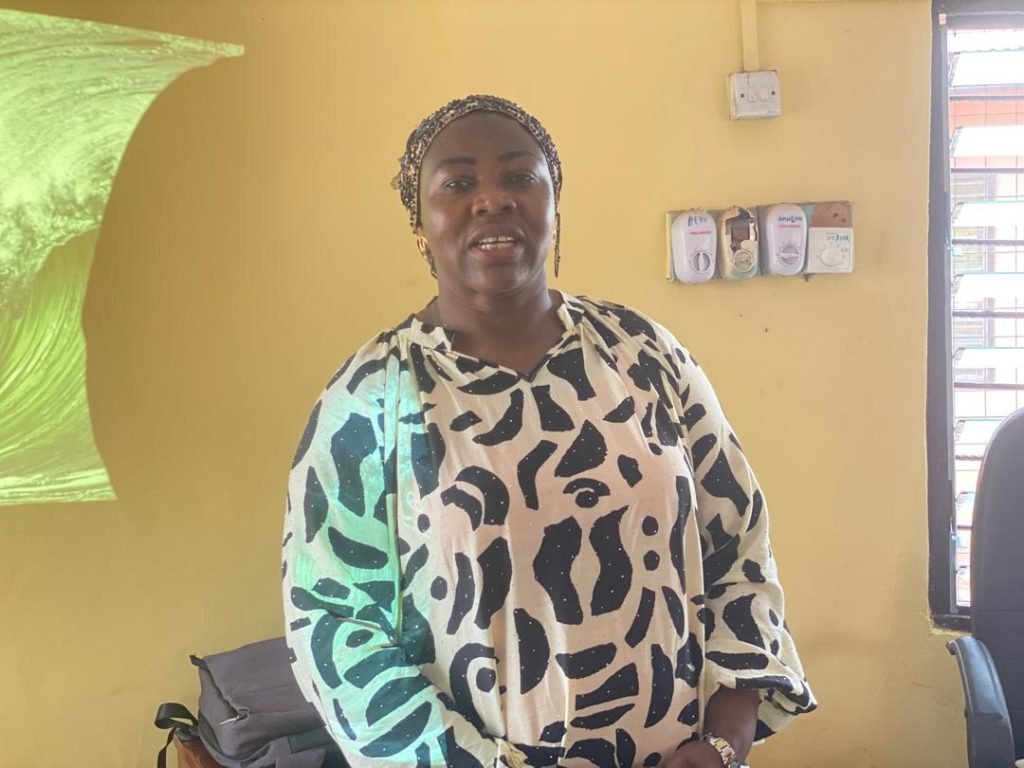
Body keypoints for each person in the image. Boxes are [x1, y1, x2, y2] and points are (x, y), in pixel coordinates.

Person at [282, 94, 815, 768]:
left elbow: (740, 547)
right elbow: (334, 628)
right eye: (458, 183)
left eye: (520, 176)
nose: (492, 200)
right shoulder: (370, 399)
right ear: (420, 222)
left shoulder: (645, 354)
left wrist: (723, 741)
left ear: (554, 207)